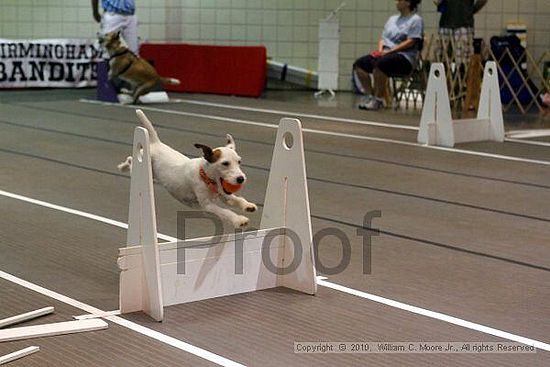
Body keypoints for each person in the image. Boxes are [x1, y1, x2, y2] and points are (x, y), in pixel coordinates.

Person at [353, 0, 423, 110]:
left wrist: (390, 52)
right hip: (386, 54)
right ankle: (370, 95)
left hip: (404, 57)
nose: (396, 2)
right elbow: (383, 39)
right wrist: (380, 51)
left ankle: (378, 99)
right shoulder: (392, 19)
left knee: (380, 64)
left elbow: (411, 41)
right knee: (359, 64)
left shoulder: (416, 20)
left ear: (408, 3)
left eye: (399, 0)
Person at [434, 0, 488, 66]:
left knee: (463, 60)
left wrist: (472, 10)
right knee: (442, 58)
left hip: (462, 24)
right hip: (447, 23)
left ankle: (461, 73)